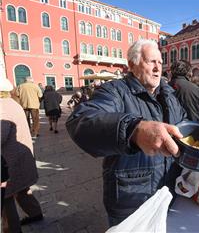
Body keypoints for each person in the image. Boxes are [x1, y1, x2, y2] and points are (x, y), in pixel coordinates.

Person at [66, 39, 187, 227]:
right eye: (151, 62)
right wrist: (134, 130)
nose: (158, 68)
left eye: (160, 63)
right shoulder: (114, 91)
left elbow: (183, 125)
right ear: (132, 65)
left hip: (170, 189)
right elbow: (80, 121)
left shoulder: (169, 94)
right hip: (131, 198)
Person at [0, 77, 43, 233]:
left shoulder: (2, 108)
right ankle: (35, 213)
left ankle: (12, 229)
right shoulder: (12, 103)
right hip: (22, 158)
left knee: (6, 198)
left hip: (9, 161)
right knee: (23, 189)